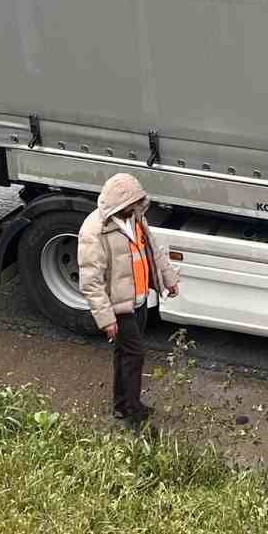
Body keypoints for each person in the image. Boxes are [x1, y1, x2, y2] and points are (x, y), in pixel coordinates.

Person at [78, 173, 179, 425]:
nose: (134, 209)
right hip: (118, 307)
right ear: (117, 205)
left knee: (124, 354)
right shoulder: (94, 231)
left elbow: (152, 250)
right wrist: (106, 319)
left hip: (139, 300)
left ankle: (121, 405)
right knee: (134, 355)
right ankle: (134, 411)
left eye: (137, 204)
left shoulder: (136, 219)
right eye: (129, 206)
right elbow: (91, 282)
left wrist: (168, 279)